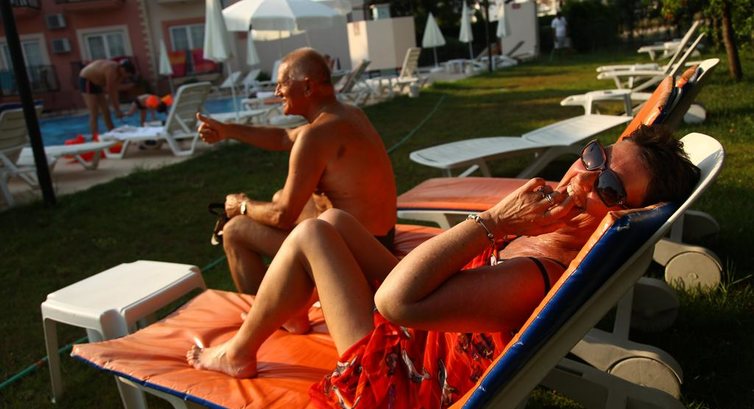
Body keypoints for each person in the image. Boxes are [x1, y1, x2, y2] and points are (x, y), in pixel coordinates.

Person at [186, 125, 700, 407]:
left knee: (312, 233)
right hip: (421, 335)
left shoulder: (534, 276)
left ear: (621, 215)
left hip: (398, 380)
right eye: (594, 158)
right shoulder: (545, 233)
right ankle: (291, 309)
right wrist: (503, 227)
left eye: (608, 188)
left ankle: (239, 353)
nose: (583, 181)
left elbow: (396, 302)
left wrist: (494, 222)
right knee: (335, 220)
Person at [195, 48, 397, 296]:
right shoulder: (349, 114)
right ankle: (289, 292)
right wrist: (227, 130)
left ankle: (272, 312)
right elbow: (284, 137)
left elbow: (282, 216)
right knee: (280, 196)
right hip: (380, 242)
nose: (277, 92)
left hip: (357, 259)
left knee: (235, 231)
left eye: (282, 84)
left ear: (308, 87)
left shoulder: (315, 137)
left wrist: (242, 206)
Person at [79, 59, 136, 138]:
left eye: (127, 76)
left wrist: (117, 109)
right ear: (122, 69)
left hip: (98, 82)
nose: (125, 77)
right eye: (126, 74)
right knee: (94, 111)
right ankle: (94, 137)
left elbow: (114, 91)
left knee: (106, 111)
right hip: (87, 79)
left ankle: (112, 133)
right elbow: (110, 91)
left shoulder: (120, 74)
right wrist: (117, 110)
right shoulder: (111, 70)